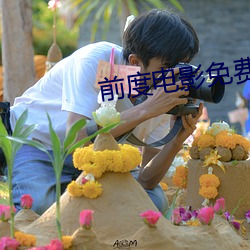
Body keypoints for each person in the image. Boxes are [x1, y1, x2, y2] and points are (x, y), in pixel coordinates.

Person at [6, 9, 202, 215]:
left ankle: (70, 199)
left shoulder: (164, 92)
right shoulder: (95, 61)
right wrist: (147, 109)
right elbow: (76, 140)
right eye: (167, 66)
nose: (175, 74)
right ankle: (65, 197)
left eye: (182, 65)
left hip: (96, 157)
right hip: (37, 144)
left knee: (152, 202)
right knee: (39, 208)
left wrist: (176, 140)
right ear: (135, 62)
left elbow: (146, 180)